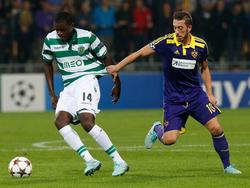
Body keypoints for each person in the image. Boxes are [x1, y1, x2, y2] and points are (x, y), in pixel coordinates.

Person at [107, 11, 241, 174]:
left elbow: (204, 68)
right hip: (174, 100)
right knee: (169, 140)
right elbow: (140, 53)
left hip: (196, 96)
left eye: (180, 28)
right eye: (174, 27)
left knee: (216, 128)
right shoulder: (166, 42)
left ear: (189, 28)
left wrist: (210, 93)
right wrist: (117, 67)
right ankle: (157, 128)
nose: (177, 32)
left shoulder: (200, 45)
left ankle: (228, 166)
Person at [42, 11, 129, 177]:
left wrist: (117, 81)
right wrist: (52, 94)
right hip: (69, 86)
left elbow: (106, 57)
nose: (59, 33)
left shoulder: (88, 37)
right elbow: (47, 64)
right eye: (57, 30)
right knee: (60, 121)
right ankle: (90, 160)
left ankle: (119, 161)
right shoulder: (50, 40)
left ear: (72, 26)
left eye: (62, 30)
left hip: (87, 80)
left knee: (86, 122)